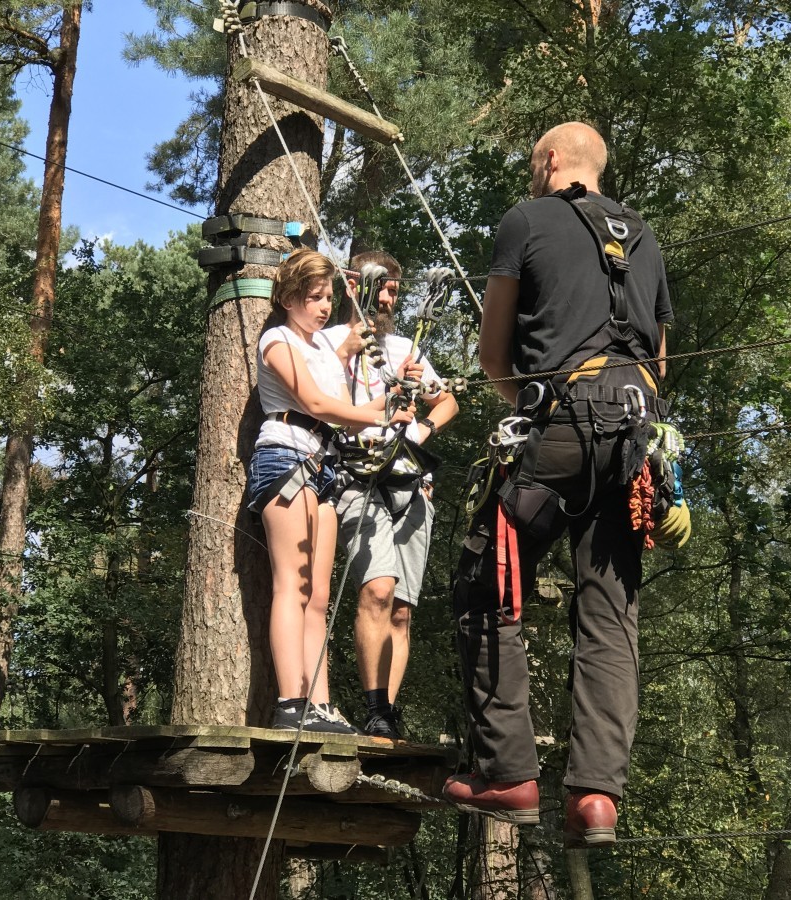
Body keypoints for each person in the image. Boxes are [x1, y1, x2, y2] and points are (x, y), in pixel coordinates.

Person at [442, 122, 677, 847]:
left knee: (486, 581)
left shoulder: (527, 219)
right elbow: (659, 363)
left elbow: (492, 356)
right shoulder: (645, 236)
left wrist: (536, 407)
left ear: (549, 161)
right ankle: (596, 796)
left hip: (561, 433)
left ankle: (507, 772)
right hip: (635, 443)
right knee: (611, 613)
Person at [247, 248, 414, 734]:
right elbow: (317, 403)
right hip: (285, 455)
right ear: (288, 299)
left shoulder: (324, 349)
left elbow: (347, 411)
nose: (324, 307)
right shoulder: (277, 340)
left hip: (323, 464)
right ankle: (290, 702)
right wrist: (380, 411)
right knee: (292, 585)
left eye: (327, 298)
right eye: (314, 298)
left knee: (318, 596)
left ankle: (319, 706)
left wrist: (392, 400)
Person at [326, 252, 459, 738]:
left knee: (401, 609)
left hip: (409, 481)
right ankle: (373, 703)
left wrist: (420, 431)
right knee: (377, 589)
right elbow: (315, 402)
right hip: (358, 477)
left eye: (394, 291)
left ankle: (385, 714)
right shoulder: (327, 342)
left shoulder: (405, 348)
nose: (387, 299)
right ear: (352, 285)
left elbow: (447, 401)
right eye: (380, 287)